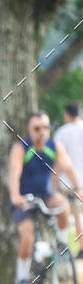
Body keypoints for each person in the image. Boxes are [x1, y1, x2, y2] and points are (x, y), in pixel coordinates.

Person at [8, 110, 83, 284]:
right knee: (27, 237)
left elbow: (69, 167)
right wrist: (16, 197)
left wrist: (78, 187)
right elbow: (14, 173)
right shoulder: (21, 148)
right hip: (24, 198)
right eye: (37, 128)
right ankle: (22, 278)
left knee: (63, 206)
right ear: (29, 129)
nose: (42, 131)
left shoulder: (54, 146)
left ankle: (61, 246)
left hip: (46, 194)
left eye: (46, 127)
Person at [55, 102, 83, 258]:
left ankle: (66, 251)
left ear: (67, 114)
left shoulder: (62, 132)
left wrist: (53, 180)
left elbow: (59, 160)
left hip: (69, 183)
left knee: (71, 217)